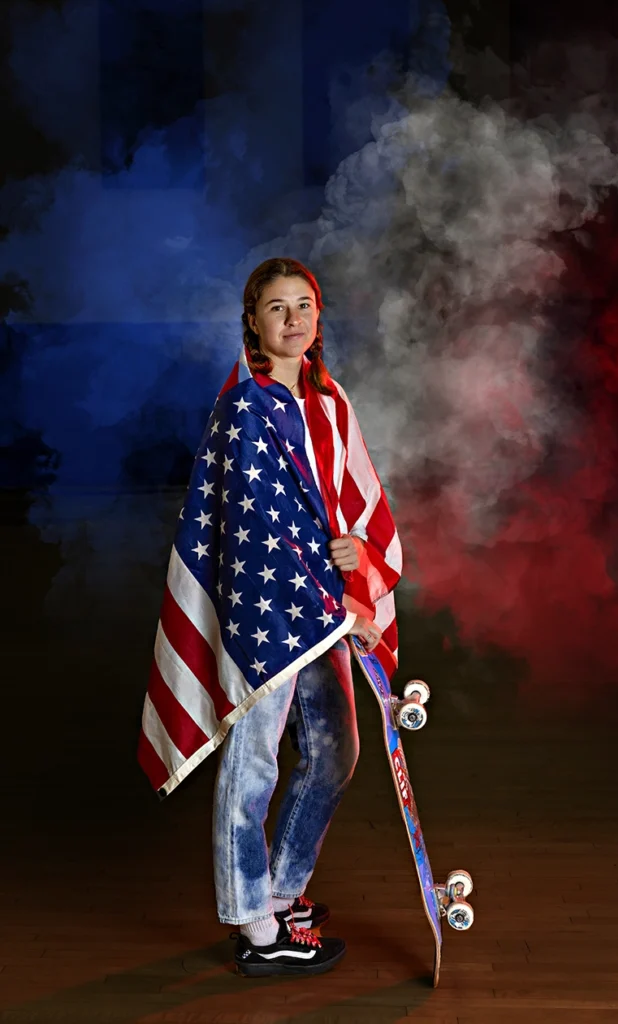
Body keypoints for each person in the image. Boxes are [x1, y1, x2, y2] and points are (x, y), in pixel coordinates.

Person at [197, 257, 402, 977]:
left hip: (320, 603)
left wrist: (358, 553)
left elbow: (340, 506)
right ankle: (255, 924)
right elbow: (261, 529)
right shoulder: (245, 408)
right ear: (252, 321)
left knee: (335, 753)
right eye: (276, 307)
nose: (292, 319)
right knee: (252, 758)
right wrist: (342, 605)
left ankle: (282, 892)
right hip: (271, 608)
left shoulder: (327, 401)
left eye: (304, 305)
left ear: (319, 317)